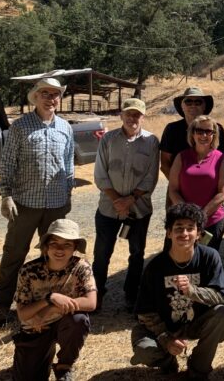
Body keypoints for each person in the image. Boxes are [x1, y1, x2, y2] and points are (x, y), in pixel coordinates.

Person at [0, 77, 75, 324]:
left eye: (55, 94)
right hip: (25, 203)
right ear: (36, 97)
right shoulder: (20, 127)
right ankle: (1, 305)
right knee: (14, 254)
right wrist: (6, 195)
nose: (51, 99)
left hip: (56, 204)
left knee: (55, 256)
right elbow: (7, 163)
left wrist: (68, 193)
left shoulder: (65, 127)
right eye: (45, 94)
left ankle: (50, 304)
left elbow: (69, 163)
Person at [130, 203, 224, 379]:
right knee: (144, 350)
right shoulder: (155, 267)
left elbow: (220, 297)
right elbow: (145, 313)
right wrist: (166, 339)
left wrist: (193, 291)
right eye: (178, 228)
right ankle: (168, 363)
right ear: (168, 233)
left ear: (199, 234)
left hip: (195, 323)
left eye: (190, 228)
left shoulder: (210, 257)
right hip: (164, 326)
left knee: (222, 315)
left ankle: (198, 368)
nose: (184, 234)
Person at [92, 98, 160, 311]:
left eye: (137, 114)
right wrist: (116, 200)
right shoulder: (108, 139)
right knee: (102, 254)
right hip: (108, 208)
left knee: (137, 253)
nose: (133, 118)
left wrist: (130, 200)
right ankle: (96, 294)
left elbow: (151, 177)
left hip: (138, 209)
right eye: (129, 114)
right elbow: (100, 174)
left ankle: (132, 294)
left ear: (143, 116)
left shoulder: (151, 141)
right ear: (121, 115)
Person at [12, 219, 96, 381]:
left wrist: (51, 308)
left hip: (62, 321)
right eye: (54, 243)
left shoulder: (81, 266)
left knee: (78, 320)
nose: (59, 249)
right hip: (36, 326)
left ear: (75, 248)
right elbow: (23, 315)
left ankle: (64, 365)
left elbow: (91, 303)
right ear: (45, 246)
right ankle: (43, 353)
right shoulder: (28, 270)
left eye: (67, 244)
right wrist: (49, 298)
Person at [168, 115, 224, 251]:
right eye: (199, 131)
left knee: (207, 261)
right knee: (183, 258)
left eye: (208, 132)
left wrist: (201, 216)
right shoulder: (181, 157)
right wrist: (187, 215)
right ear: (192, 133)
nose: (203, 135)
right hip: (184, 221)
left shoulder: (220, 158)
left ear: (214, 135)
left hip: (212, 221)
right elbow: (173, 189)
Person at [159, 87, 224, 202]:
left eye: (198, 102)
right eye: (188, 101)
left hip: (209, 192)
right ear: (182, 106)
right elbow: (165, 163)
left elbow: (221, 161)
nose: (193, 105)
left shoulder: (216, 128)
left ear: (204, 106)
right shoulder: (172, 129)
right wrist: (181, 187)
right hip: (177, 192)